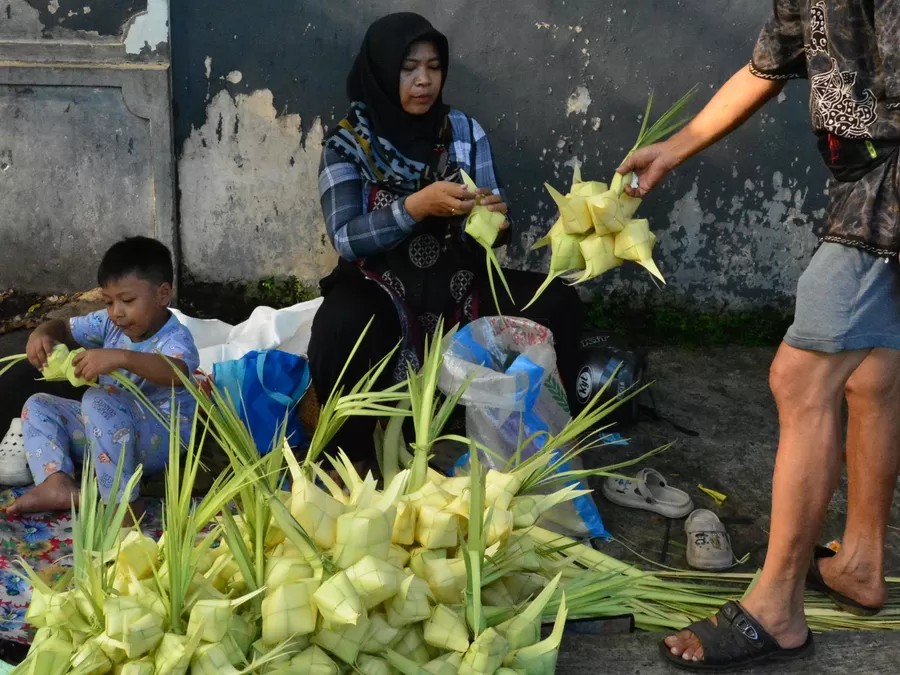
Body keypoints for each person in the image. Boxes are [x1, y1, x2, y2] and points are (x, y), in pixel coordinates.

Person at [618, 2, 900, 670]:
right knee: (872, 369)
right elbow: (768, 64)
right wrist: (673, 150)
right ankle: (859, 561)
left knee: (801, 377)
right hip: (860, 180)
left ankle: (776, 610)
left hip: (888, 189)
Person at [308, 12, 585, 466]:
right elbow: (346, 237)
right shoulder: (346, 145)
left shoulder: (465, 132)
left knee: (558, 304)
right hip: (381, 287)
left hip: (460, 286)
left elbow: (495, 226)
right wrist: (415, 207)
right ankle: (352, 457)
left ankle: (544, 440)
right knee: (339, 330)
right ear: (381, 72)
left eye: (434, 67)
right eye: (408, 68)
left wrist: (496, 220)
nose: (424, 81)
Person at [7, 236, 199, 518]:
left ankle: (124, 502)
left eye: (127, 300)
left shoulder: (176, 337)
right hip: (105, 437)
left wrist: (121, 357)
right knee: (38, 405)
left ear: (162, 294)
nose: (116, 312)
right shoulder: (110, 323)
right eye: (108, 302)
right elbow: (64, 328)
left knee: (97, 398)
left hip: (159, 441)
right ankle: (56, 482)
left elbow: (176, 372)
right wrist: (42, 333)